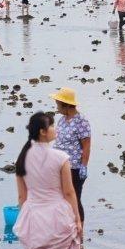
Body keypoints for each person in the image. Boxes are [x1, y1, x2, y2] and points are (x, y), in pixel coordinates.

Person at [12, 112, 83, 249]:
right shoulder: (60, 157)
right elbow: (69, 192)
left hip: (33, 216)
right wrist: (77, 219)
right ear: (43, 131)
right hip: (56, 216)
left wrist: (26, 220)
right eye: (52, 126)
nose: (55, 129)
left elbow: (22, 198)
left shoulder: (22, 158)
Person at [51, 88, 92, 227]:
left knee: (74, 199)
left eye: (58, 104)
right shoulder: (62, 121)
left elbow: (86, 146)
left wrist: (84, 166)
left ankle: (80, 235)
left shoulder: (81, 121)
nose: (57, 107)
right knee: (60, 199)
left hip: (74, 168)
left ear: (66, 104)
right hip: (59, 166)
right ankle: (65, 229)